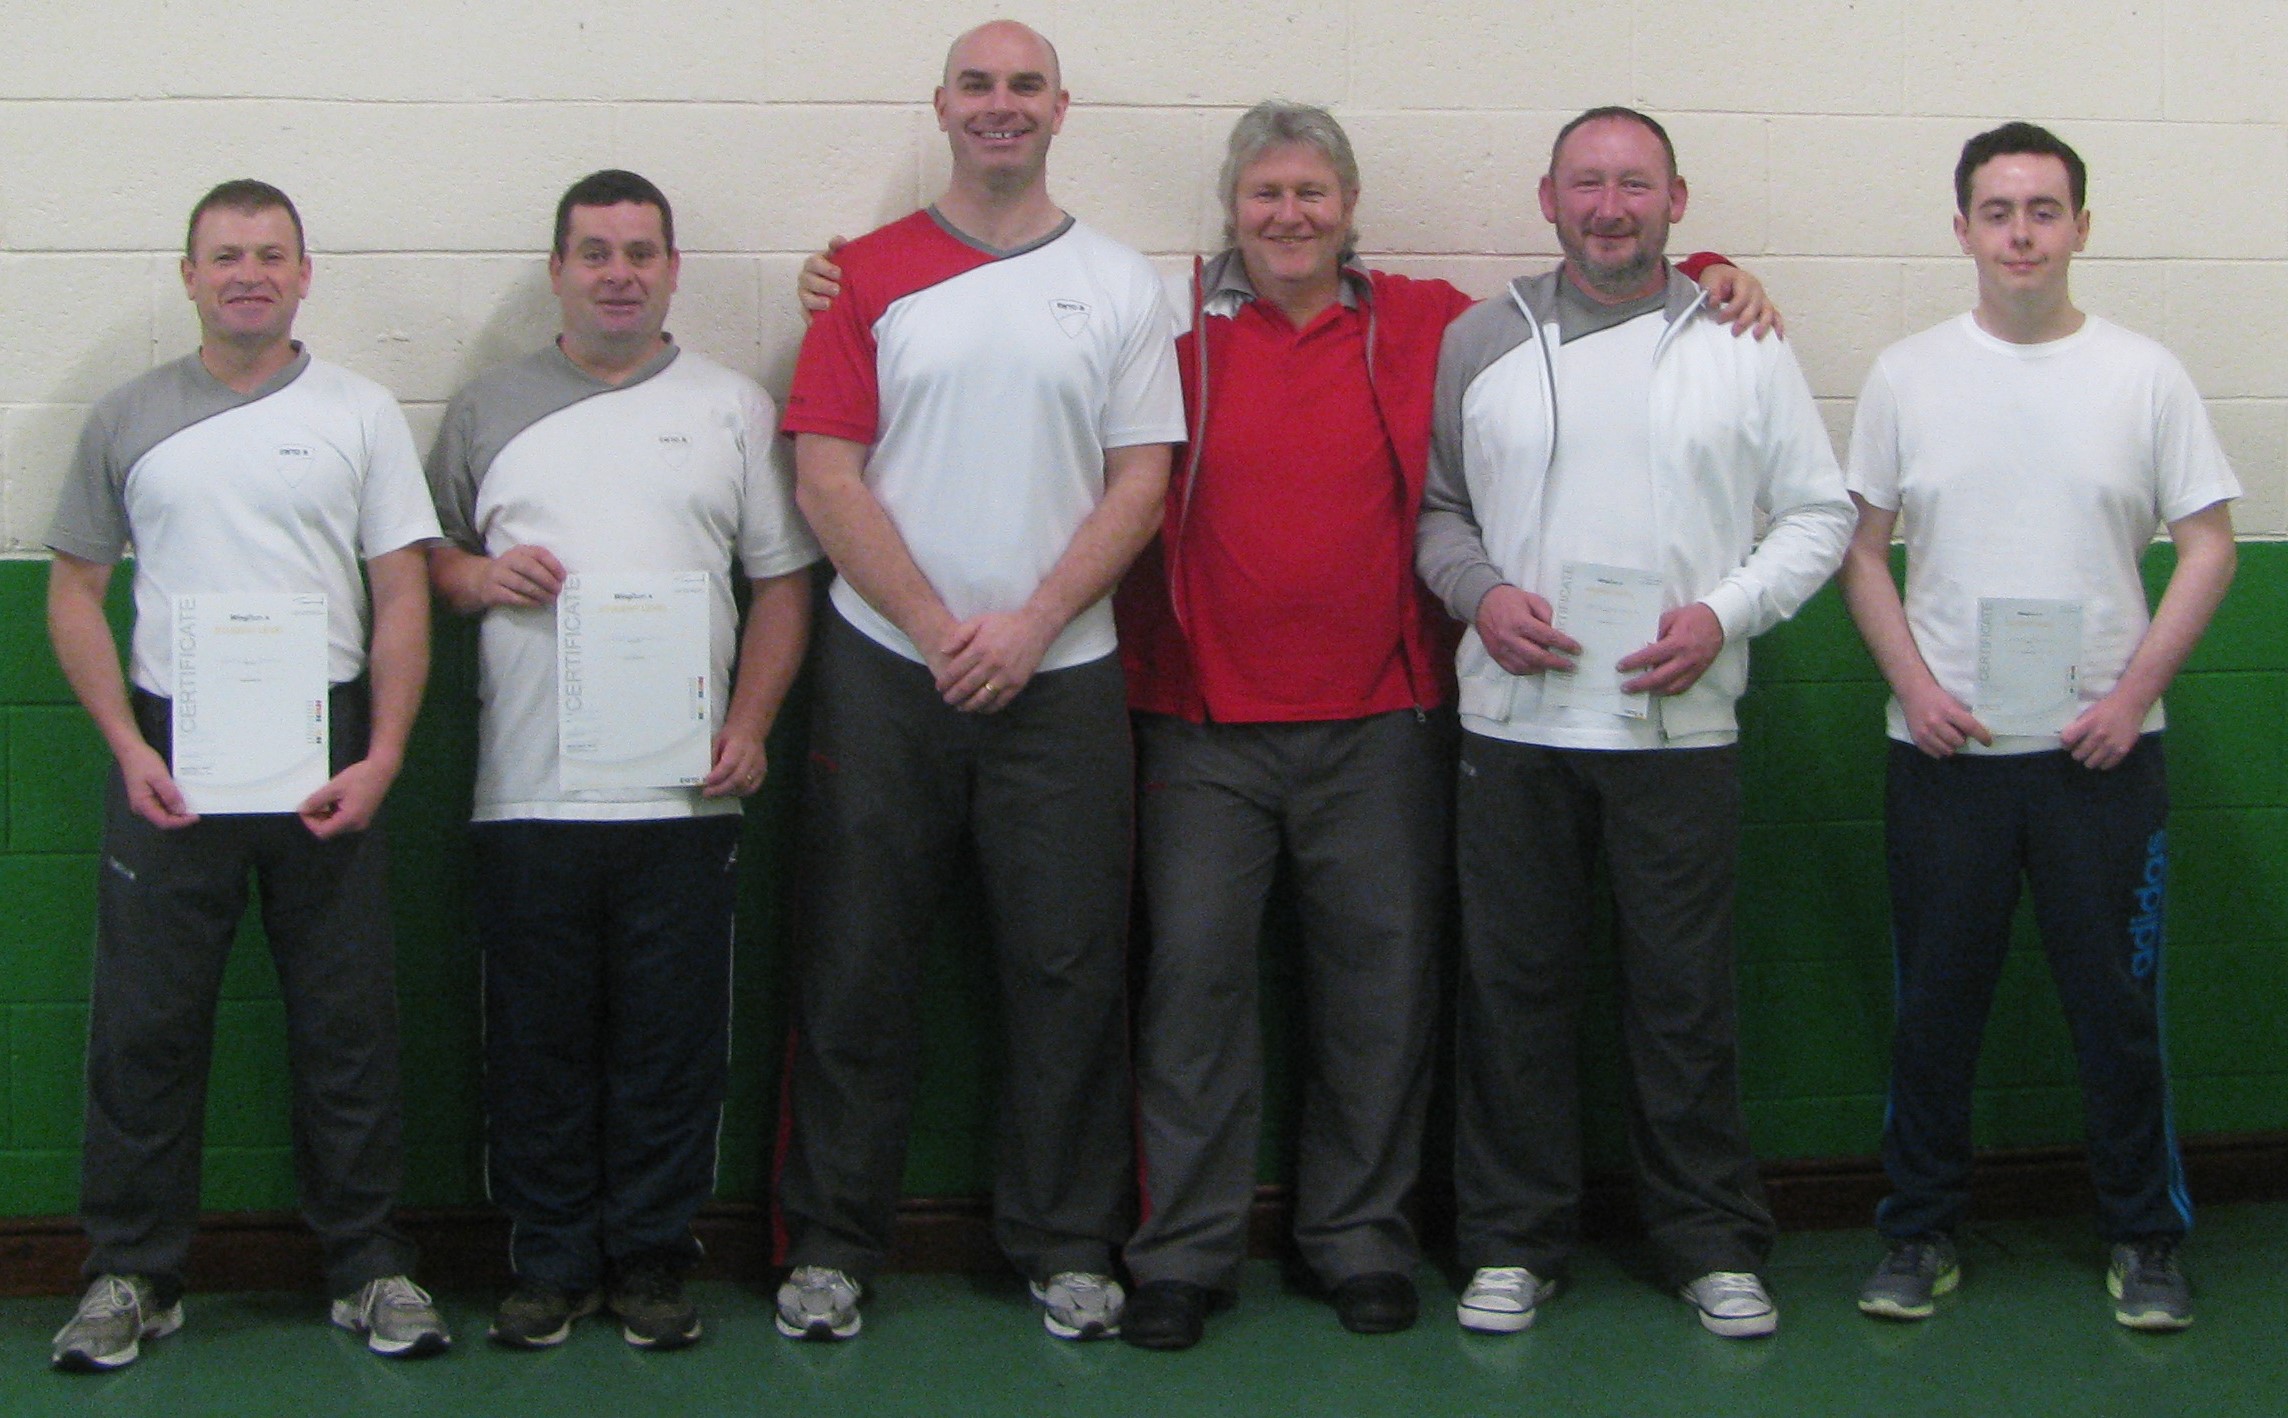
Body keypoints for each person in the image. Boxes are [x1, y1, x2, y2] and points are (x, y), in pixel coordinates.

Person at [798, 101, 1779, 1350]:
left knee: (1376, 996)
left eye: (1313, 193)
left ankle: (1357, 1236)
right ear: (1232, 210)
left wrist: (1705, 272)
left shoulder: (1423, 322)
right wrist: (838, 279)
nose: (1289, 216)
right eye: (1265, 194)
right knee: (1191, 997)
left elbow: (1584, 283)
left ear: (1350, 208)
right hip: (1199, 729)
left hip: (1379, 726)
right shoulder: (1165, 323)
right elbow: (1016, 323)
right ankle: (1183, 1251)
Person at [773, 20, 1184, 1343]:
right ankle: (832, 1246)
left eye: (1024, 87)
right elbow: (826, 472)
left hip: (1061, 680)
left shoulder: (1123, 284)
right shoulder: (865, 277)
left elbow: (1142, 477)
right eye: (977, 86)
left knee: (1069, 969)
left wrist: (1031, 622)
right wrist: (939, 621)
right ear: (940, 106)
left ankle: (1068, 1244)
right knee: (855, 963)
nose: (1000, 107)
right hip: (885, 671)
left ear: (1062, 106)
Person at [1417, 106, 1851, 1340]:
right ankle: (1508, 1240)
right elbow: (1439, 513)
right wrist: (1483, 596)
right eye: (1586, 184)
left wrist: (1722, 616)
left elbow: (1815, 516)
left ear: (1677, 200)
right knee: (1509, 991)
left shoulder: (1742, 339)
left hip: (1678, 731)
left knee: (1682, 1000)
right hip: (1512, 728)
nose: (1610, 206)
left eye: (1635, 185)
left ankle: (1709, 1240)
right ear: (1546, 197)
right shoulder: (1475, 341)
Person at [1838, 122, 2237, 1333]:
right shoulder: (1906, 374)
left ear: (2079, 226)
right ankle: (1915, 1231)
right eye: (1997, 210)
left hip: (2098, 758)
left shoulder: (2143, 374)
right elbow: (1860, 553)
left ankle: (2143, 1236)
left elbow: (2208, 544)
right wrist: (1912, 684)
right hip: (1946, 756)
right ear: (1959, 228)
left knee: (2115, 1005)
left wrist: (2127, 699)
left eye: (2043, 209)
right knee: (1935, 1007)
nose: (2020, 232)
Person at [44, 179, 448, 1369]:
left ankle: (368, 1264)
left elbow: (403, 591)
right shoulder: (127, 417)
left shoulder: (361, 413)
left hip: (328, 751)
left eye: (271, 254)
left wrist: (382, 754)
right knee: (146, 1025)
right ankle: (130, 1273)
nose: (248, 273)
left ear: (303, 273)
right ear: (188, 276)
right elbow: (74, 589)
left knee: (348, 1021)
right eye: (225, 255)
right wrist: (129, 746)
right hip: (177, 755)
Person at [425, 170, 818, 1351]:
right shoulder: (487, 407)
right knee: (537, 1042)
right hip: (528, 794)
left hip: (683, 797)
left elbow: (783, 585)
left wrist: (750, 724)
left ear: (671, 269)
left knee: (670, 1042)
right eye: (593, 252)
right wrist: (477, 576)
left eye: (639, 252)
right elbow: (427, 560)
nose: (617, 273)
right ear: (557, 270)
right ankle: (547, 1261)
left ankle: (650, 1257)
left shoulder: (732, 408)